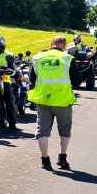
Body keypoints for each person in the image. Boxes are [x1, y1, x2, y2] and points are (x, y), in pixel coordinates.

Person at [28, 36, 76, 170]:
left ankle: (45, 160)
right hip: (63, 100)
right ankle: (62, 157)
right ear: (64, 45)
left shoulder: (38, 58)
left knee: (42, 130)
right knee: (64, 129)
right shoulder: (67, 59)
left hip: (43, 99)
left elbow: (32, 80)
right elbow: (77, 79)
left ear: (51, 44)